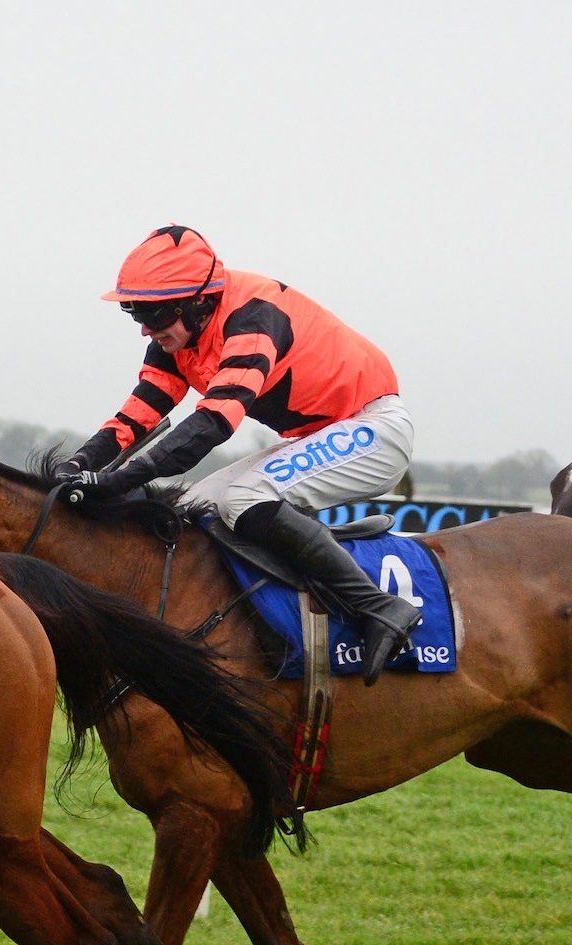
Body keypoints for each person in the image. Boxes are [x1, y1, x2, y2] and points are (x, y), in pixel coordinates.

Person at [54, 226, 420, 684]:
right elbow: (139, 411)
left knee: (242, 499)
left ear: (199, 301)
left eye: (154, 312)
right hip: (321, 434)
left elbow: (212, 423)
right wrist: (80, 464)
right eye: (135, 312)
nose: (146, 326)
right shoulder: (179, 337)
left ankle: (378, 606)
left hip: (373, 428)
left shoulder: (253, 318)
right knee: (198, 507)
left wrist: (119, 481)